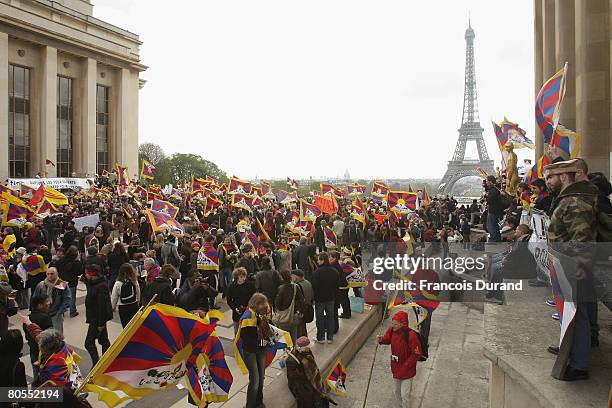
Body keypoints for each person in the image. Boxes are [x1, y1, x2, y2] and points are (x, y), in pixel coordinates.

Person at [543, 159, 598, 381]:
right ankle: (575, 352)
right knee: (574, 312)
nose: (548, 182)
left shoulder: (574, 201)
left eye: (551, 177)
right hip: (566, 262)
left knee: (577, 314)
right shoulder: (572, 199)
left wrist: (581, 264)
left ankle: (579, 364)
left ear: (564, 176)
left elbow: (581, 237)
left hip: (571, 264)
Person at [377, 311, 422, 408]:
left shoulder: (411, 335)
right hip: (396, 367)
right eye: (392, 323)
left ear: (402, 324)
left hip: (407, 370)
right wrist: (381, 340)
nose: (393, 325)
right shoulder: (392, 330)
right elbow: (387, 339)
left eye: (395, 324)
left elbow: (417, 353)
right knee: (397, 392)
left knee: (404, 394)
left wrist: (406, 365)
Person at [240, 293, 273, 408]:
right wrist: (260, 342)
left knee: (262, 377)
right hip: (250, 351)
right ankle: (250, 405)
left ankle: (259, 401)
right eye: (262, 306)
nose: (265, 309)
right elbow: (245, 338)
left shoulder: (261, 314)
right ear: (256, 304)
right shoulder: (248, 317)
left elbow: (268, 326)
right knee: (255, 379)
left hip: (261, 349)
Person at [286, 336, 331, 408]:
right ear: (299, 347)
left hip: (312, 381)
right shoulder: (291, 360)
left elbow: (312, 365)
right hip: (303, 386)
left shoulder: (306, 351)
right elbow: (292, 378)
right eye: (305, 347)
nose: (307, 348)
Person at [83, 263, 113, 367]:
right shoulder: (94, 283)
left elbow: (102, 306)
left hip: (97, 319)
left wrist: (101, 323)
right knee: (103, 339)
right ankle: (106, 360)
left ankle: (97, 363)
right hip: (95, 317)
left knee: (89, 343)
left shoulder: (100, 286)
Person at [311, 252, 339, 344]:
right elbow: (337, 284)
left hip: (319, 299)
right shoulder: (334, 271)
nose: (317, 261)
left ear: (322, 260)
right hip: (330, 298)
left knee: (320, 318)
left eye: (318, 259)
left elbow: (314, 286)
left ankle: (321, 337)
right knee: (330, 317)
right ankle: (330, 337)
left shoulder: (317, 272)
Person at [33, 267, 70, 334]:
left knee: (58, 334)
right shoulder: (41, 285)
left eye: (52, 274)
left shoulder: (61, 284)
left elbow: (67, 298)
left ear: (57, 274)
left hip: (56, 313)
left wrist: (60, 311)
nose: (50, 276)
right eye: (48, 274)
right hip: (44, 314)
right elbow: (35, 299)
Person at [24, 294, 53, 377]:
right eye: (46, 302)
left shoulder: (27, 319)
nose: (49, 303)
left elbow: (27, 336)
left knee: (36, 373)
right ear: (39, 305)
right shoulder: (45, 318)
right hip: (45, 351)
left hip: (33, 350)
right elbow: (49, 336)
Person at [274, 269, 305, 344]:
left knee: (285, 338)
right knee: (294, 334)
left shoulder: (280, 288)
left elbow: (277, 304)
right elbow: (301, 300)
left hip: (283, 317)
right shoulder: (296, 287)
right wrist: (300, 311)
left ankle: (287, 352)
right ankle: (294, 350)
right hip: (294, 315)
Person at [227, 267, 256, 334]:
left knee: (247, 332)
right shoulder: (232, 286)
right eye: (241, 277)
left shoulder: (250, 285)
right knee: (237, 332)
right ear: (237, 277)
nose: (243, 278)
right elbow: (229, 300)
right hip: (237, 313)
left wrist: (250, 307)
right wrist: (235, 308)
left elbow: (254, 297)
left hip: (248, 311)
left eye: (244, 276)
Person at [111, 263, 141, 327]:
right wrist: (137, 301)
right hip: (133, 304)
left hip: (123, 306)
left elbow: (114, 296)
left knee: (125, 325)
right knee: (134, 325)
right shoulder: (134, 281)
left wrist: (113, 306)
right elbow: (138, 292)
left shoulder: (118, 282)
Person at [56, 245, 83, 318]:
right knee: (71, 297)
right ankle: (72, 312)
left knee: (60, 296)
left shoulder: (62, 259)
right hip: (71, 281)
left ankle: (61, 311)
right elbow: (79, 272)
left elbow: (57, 268)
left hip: (61, 280)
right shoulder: (76, 262)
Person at [292, 269, 313, 338]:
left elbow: (299, 300)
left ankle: (301, 342)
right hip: (308, 307)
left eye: (292, 276)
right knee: (303, 327)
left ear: (296, 276)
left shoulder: (298, 286)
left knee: (300, 328)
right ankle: (305, 340)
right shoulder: (308, 282)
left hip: (301, 310)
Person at [484, 175, 503, 242]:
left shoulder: (493, 190)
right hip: (496, 210)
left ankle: (494, 239)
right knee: (494, 225)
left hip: (493, 210)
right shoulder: (496, 189)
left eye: (487, 181)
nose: (486, 183)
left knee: (490, 226)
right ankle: (497, 238)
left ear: (490, 181)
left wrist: (486, 197)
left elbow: (490, 200)